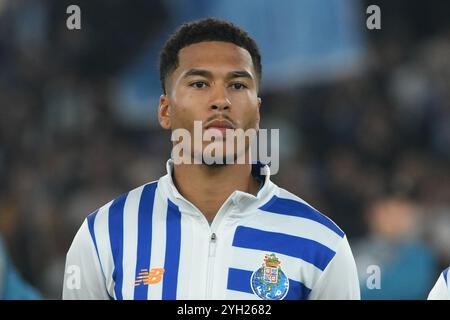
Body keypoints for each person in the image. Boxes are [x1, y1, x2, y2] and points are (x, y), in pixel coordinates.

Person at [63, 18, 360, 300]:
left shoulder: (322, 244)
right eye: (199, 84)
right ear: (166, 111)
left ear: (257, 113)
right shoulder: (103, 235)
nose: (221, 100)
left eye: (237, 85)